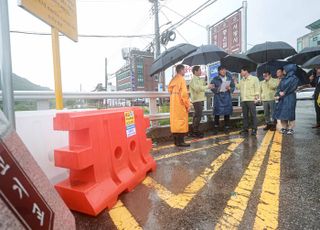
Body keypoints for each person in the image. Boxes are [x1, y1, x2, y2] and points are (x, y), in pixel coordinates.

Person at [168, 64, 191, 147]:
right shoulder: (181, 79)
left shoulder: (173, 80)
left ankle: (176, 141)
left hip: (174, 104)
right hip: (180, 104)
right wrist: (188, 105)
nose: (185, 71)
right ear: (181, 70)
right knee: (181, 122)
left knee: (175, 122)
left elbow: (170, 90)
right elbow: (184, 95)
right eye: (184, 70)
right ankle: (181, 141)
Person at [273, 64, 299, 135]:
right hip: (283, 98)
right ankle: (284, 127)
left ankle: (290, 128)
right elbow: (279, 88)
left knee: (290, 112)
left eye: (285, 69)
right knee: (282, 113)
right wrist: (278, 94)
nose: (283, 71)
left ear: (289, 69)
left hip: (290, 97)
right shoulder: (284, 79)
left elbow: (292, 87)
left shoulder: (294, 78)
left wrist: (284, 92)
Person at [234, 66, 260, 136]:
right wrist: (235, 82)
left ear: (246, 71)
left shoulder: (254, 79)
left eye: (241, 71)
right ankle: (245, 129)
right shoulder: (242, 80)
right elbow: (238, 87)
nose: (241, 73)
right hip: (244, 100)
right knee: (245, 116)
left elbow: (257, 89)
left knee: (253, 115)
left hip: (251, 100)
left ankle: (254, 129)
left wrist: (256, 99)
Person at [189, 66, 213, 138]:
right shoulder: (193, 80)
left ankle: (194, 131)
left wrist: (206, 84)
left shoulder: (199, 79)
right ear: (195, 71)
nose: (200, 71)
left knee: (197, 115)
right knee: (198, 116)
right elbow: (197, 89)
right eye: (199, 70)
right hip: (196, 100)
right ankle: (195, 131)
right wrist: (207, 87)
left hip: (199, 99)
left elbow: (203, 86)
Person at [211, 66, 235, 133]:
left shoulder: (229, 78)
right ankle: (216, 127)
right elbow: (212, 88)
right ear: (219, 71)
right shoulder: (215, 79)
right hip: (218, 98)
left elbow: (233, 87)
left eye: (224, 69)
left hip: (227, 97)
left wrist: (229, 88)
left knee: (227, 112)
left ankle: (227, 127)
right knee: (217, 113)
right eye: (222, 70)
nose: (224, 71)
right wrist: (218, 89)